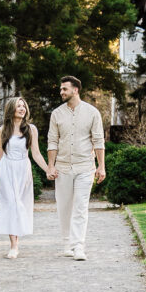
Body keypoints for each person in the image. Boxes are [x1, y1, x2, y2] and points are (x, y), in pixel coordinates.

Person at [46, 75, 105, 261]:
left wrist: (101, 166)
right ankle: (67, 243)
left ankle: (79, 246)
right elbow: (52, 141)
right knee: (64, 207)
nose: (61, 92)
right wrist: (50, 166)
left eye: (64, 89)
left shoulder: (92, 113)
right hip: (63, 168)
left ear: (75, 90)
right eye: (61, 89)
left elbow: (98, 141)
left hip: (85, 167)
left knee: (80, 207)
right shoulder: (56, 114)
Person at [0, 96, 50, 259]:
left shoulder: (31, 129)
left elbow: (36, 153)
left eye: (23, 106)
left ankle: (16, 240)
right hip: (6, 169)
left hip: (23, 169)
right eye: (18, 106)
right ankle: (14, 245)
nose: (22, 109)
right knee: (11, 204)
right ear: (11, 109)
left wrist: (48, 169)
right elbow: (0, 155)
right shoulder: (2, 130)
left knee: (19, 204)